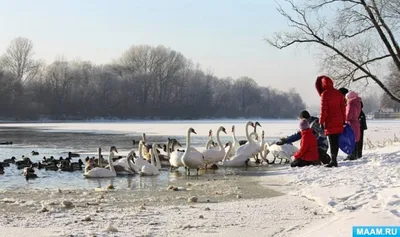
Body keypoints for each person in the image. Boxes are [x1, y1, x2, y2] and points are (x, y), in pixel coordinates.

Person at [315, 75, 346, 168]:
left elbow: (323, 110)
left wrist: (321, 121)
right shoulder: (338, 93)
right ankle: (334, 159)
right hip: (339, 120)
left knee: (332, 141)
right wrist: (343, 120)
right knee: (335, 141)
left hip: (330, 121)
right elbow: (343, 108)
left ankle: (333, 161)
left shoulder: (325, 94)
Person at [339, 88, 367, 158]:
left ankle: (355, 154)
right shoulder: (356, 101)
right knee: (357, 138)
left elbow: (348, 114)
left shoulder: (350, 102)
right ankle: (358, 154)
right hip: (358, 121)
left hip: (355, 121)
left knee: (354, 138)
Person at [344, 91, 362, 160]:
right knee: (355, 139)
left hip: (350, 123)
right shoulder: (358, 103)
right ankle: (356, 154)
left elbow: (348, 115)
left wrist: (344, 118)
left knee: (350, 139)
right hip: (356, 122)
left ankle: (351, 155)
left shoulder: (350, 104)